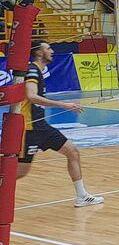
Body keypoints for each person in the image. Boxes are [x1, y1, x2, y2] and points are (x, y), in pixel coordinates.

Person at [14, 42, 101, 206]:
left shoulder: (38, 71)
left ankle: (82, 196)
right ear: (39, 52)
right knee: (20, 172)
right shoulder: (32, 70)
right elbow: (31, 96)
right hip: (30, 128)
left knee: (72, 152)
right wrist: (64, 105)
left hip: (42, 126)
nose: (52, 51)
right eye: (48, 48)